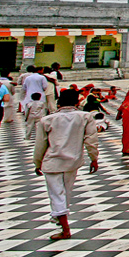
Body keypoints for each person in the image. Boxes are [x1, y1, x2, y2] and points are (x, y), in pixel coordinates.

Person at [33, 88, 99, 239]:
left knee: (57, 195)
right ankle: (62, 222)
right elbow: (91, 141)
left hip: (52, 162)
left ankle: (65, 229)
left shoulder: (47, 119)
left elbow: (40, 145)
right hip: (73, 161)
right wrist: (94, 158)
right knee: (65, 194)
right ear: (77, 101)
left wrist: (37, 162)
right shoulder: (85, 117)